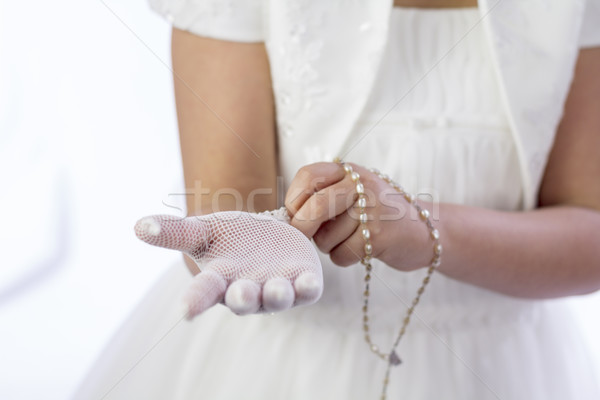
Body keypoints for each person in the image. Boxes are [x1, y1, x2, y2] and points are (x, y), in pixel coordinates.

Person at [75, 0, 600, 399]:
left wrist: (423, 228)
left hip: (502, 368)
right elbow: (225, 200)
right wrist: (250, 239)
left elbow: (590, 228)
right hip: (277, 369)